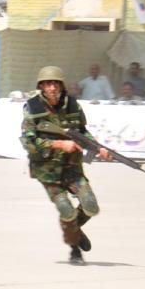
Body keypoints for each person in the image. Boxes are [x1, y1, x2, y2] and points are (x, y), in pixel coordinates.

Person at [19, 66, 110, 266]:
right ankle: (74, 249)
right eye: (48, 84)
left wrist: (98, 147)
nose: (52, 87)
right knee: (66, 209)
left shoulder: (73, 106)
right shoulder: (32, 109)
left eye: (55, 83)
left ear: (61, 85)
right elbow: (28, 142)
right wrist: (58, 144)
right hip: (47, 171)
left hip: (72, 168)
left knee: (91, 206)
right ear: (41, 86)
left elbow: (82, 132)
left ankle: (73, 231)